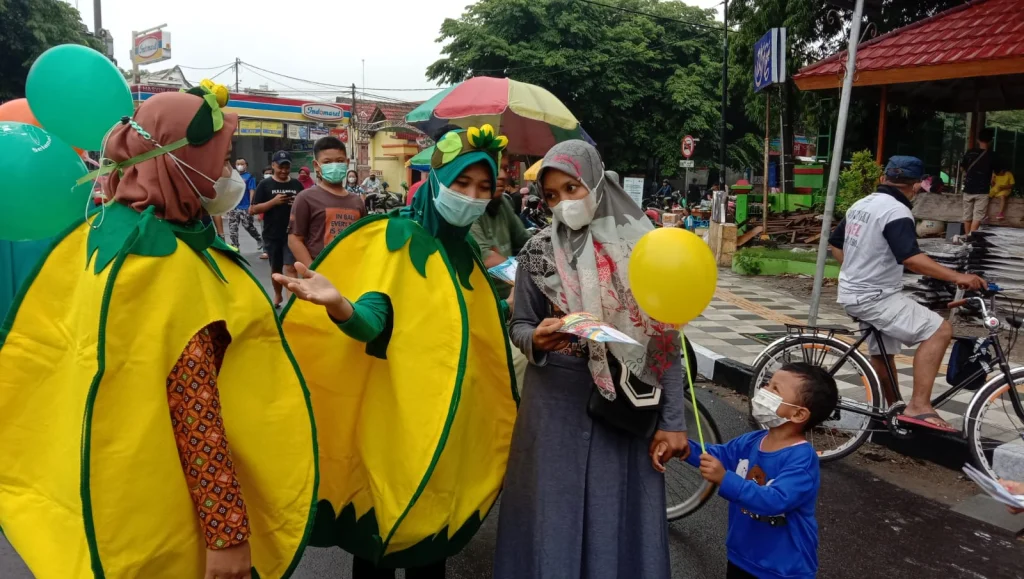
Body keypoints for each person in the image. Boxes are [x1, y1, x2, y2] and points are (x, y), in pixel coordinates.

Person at [0, 84, 316, 579]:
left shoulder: (98, 235)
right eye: (219, 158)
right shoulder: (164, 261)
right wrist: (227, 533)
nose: (227, 174)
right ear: (178, 161)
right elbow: (196, 408)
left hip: (104, 491)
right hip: (178, 508)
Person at [274, 126, 518, 579]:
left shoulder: (464, 248)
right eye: (462, 183)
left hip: (448, 422)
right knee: (378, 537)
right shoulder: (398, 237)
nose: (472, 196)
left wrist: (515, 310)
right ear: (438, 180)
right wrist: (342, 307)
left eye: (484, 188)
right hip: (394, 424)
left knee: (430, 546)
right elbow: (375, 315)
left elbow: (469, 321)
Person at [493, 140, 688, 579]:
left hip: (626, 402)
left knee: (616, 512)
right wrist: (537, 341)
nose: (564, 202)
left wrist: (674, 421)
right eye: (552, 195)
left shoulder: (646, 251)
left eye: (572, 187)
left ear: (597, 180)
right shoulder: (539, 253)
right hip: (554, 407)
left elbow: (664, 343)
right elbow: (520, 323)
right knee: (550, 515)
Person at [828, 156, 986, 432]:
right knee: (939, 330)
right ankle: (919, 407)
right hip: (875, 296)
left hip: (855, 291)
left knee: (883, 353)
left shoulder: (861, 204)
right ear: (915, 186)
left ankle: (891, 410)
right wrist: (960, 277)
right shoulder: (896, 211)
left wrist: (855, 271)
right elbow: (912, 259)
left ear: (885, 178)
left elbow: (835, 244)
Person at [688, 363, 838, 579]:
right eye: (768, 383)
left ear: (798, 414)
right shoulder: (753, 441)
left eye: (775, 389)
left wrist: (725, 478)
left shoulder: (802, 460)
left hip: (783, 570)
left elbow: (775, 500)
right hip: (741, 557)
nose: (764, 390)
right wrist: (684, 448)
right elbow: (716, 455)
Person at [289, 136, 366, 266]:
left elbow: (363, 238)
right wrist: (313, 271)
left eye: (339, 161)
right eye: (327, 162)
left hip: (352, 271)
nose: (334, 166)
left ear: (347, 163)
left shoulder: (357, 201)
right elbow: (294, 239)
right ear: (316, 165)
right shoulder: (305, 198)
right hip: (320, 273)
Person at [251, 150, 304, 307]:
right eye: (280, 167)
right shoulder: (264, 185)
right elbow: (253, 209)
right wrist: (273, 202)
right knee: (276, 270)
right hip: (272, 234)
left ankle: (293, 303)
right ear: (273, 165)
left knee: (290, 267)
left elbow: (306, 207)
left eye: (287, 167)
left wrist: (297, 203)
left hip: (292, 233)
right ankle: (278, 295)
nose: (283, 171)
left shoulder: (296, 185)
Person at [961, 128, 1001, 235]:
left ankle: (966, 236)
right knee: (978, 216)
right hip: (982, 190)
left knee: (967, 215)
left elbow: (962, 168)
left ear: (978, 140)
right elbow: (999, 172)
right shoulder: (992, 155)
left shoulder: (970, 153)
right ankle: (971, 238)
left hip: (968, 188)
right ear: (991, 141)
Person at [226, 157, 263, 251]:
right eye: (238, 164)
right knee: (232, 228)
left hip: (245, 206)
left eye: (242, 164)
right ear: (235, 165)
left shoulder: (249, 177)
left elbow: (251, 191)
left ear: (246, 165)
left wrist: (251, 204)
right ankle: (235, 246)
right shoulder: (232, 176)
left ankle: (258, 238)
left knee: (248, 226)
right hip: (234, 206)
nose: (240, 166)